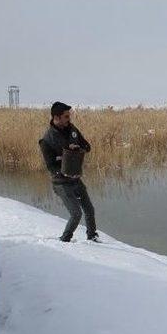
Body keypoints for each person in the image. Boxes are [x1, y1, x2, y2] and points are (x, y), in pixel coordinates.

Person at [39, 101, 100, 243]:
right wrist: (64, 170)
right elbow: (50, 166)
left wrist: (77, 147)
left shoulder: (72, 129)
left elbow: (87, 146)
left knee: (89, 209)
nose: (69, 119)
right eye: (66, 116)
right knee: (76, 213)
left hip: (76, 179)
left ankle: (92, 237)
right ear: (57, 117)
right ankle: (65, 240)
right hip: (61, 183)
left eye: (69, 116)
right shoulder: (47, 140)